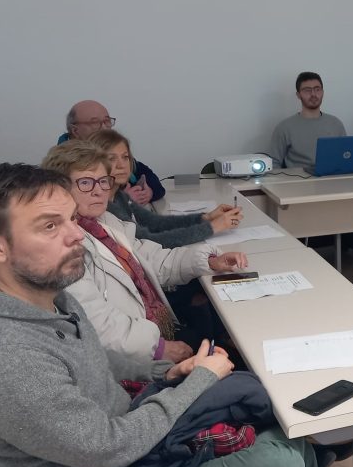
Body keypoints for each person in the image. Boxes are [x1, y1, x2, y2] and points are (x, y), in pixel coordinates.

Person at [0, 162, 320, 467]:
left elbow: (91, 358)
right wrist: (198, 382)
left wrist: (163, 373)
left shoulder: (46, 298)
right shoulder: (2, 356)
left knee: (286, 437)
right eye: (50, 226)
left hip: (116, 460)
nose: (76, 235)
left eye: (71, 219)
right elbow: (108, 449)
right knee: (284, 462)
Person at [43, 141, 246, 365]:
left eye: (103, 181)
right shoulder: (65, 247)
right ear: (60, 190)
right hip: (129, 359)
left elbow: (153, 260)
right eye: (85, 183)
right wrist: (158, 349)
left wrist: (210, 261)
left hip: (147, 333)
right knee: (231, 357)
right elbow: (97, 324)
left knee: (230, 349)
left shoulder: (106, 221)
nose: (99, 190)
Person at [270, 71, 353, 292]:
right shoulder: (285, 127)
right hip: (302, 191)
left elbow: (346, 157)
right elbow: (275, 165)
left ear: (323, 92)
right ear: (298, 94)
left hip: (334, 185)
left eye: (317, 89)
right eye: (307, 90)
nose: (313, 94)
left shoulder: (334, 123)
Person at [89, 128, 242, 248]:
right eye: (111, 159)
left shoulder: (119, 196)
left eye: (125, 157)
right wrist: (213, 227)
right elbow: (152, 242)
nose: (121, 165)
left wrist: (205, 218)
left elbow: (156, 223)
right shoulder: (103, 208)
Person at [59, 99, 165, 204]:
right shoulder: (63, 166)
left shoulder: (112, 148)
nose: (104, 127)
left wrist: (149, 192)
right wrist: (122, 200)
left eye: (107, 121)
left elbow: (148, 177)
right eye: (95, 122)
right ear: (75, 130)